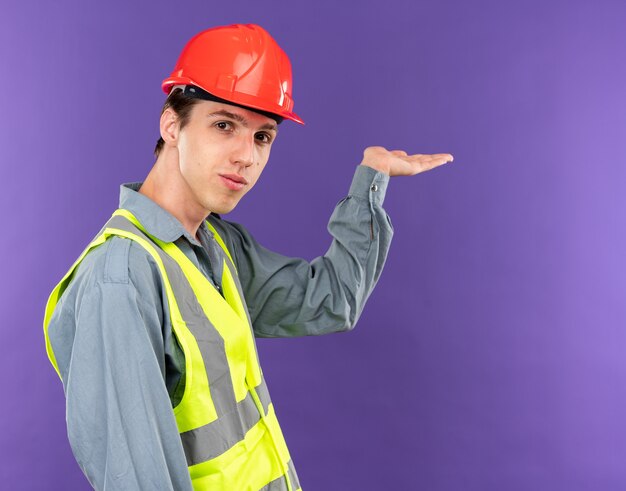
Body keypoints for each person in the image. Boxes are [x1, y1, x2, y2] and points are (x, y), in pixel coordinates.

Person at [43, 23, 453, 491]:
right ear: (172, 125)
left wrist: (371, 180)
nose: (247, 156)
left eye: (263, 137)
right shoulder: (121, 277)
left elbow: (332, 300)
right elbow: (135, 479)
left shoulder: (216, 245)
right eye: (224, 125)